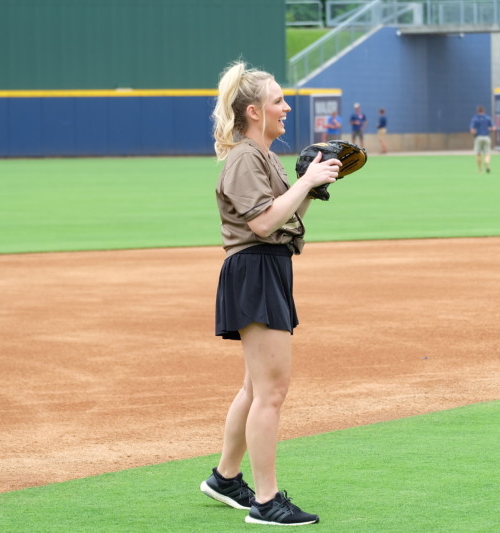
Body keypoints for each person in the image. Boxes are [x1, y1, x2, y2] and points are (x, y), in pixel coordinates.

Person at [200, 61, 340, 527]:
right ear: (255, 111)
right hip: (254, 271)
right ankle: (265, 501)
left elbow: (280, 217)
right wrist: (304, 183)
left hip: (268, 270)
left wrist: (310, 185)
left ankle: (225, 477)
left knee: (255, 387)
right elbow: (261, 224)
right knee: (272, 391)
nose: (287, 107)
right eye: (278, 100)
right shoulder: (244, 157)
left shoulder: (264, 157)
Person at [469, 105, 495, 173]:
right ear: (484, 111)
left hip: (478, 137)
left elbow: (472, 130)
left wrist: (474, 135)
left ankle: (480, 169)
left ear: (477, 111)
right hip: (486, 137)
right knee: (487, 153)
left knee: (478, 154)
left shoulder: (475, 119)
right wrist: (490, 130)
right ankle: (486, 162)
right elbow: (493, 128)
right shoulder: (488, 118)